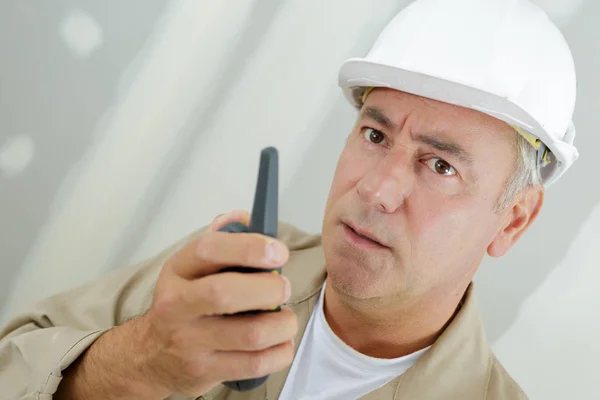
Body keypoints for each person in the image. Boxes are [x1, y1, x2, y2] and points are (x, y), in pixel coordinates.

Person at [0, 0, 579, 398]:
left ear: (514, 220)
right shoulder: (230, 267)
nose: (376, 190)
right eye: (374, 135)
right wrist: (142, 359)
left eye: (441, 165)